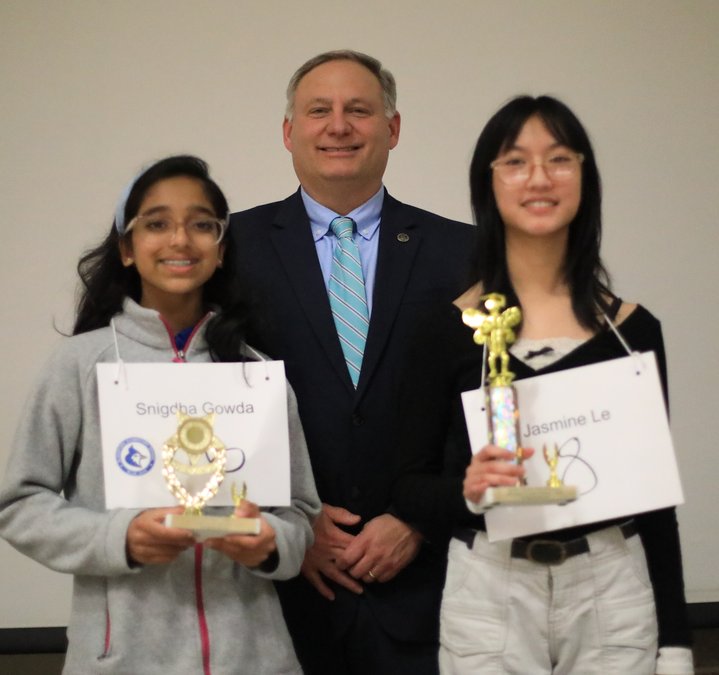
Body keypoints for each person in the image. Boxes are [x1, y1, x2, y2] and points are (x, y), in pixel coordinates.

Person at [392, 96, 694, 674]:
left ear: (585, 177)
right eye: (515, 161)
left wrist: (676, 645)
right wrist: (469, 490)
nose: (538, 178)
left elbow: (656, 503)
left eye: (558, 159)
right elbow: (407, 486)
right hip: (489, 591)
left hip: (614, 590)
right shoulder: (448, 329)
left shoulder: (632, 331)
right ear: (488, 183)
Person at [0, 155, 320, 674]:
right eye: (156, 224)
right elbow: (19, 505)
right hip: (123, 660)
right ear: (127, 249)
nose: (180, 240)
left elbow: (300, 514)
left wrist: (268, 543)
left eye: (201, 225)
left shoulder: (256, 372)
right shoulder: (81, 364)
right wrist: (119, 538)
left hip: (255, 659)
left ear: (221, 248)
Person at [230, 50, 476, 674]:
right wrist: (286, 526)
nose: (338, 126)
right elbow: (206, 404)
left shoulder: (465, 253)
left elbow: (482, 405)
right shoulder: (228, 251)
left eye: (358, 110)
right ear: (289, 131)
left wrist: (418, 518)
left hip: (429, 591)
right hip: (278, 596)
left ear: (392, 129)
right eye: (320, 111)